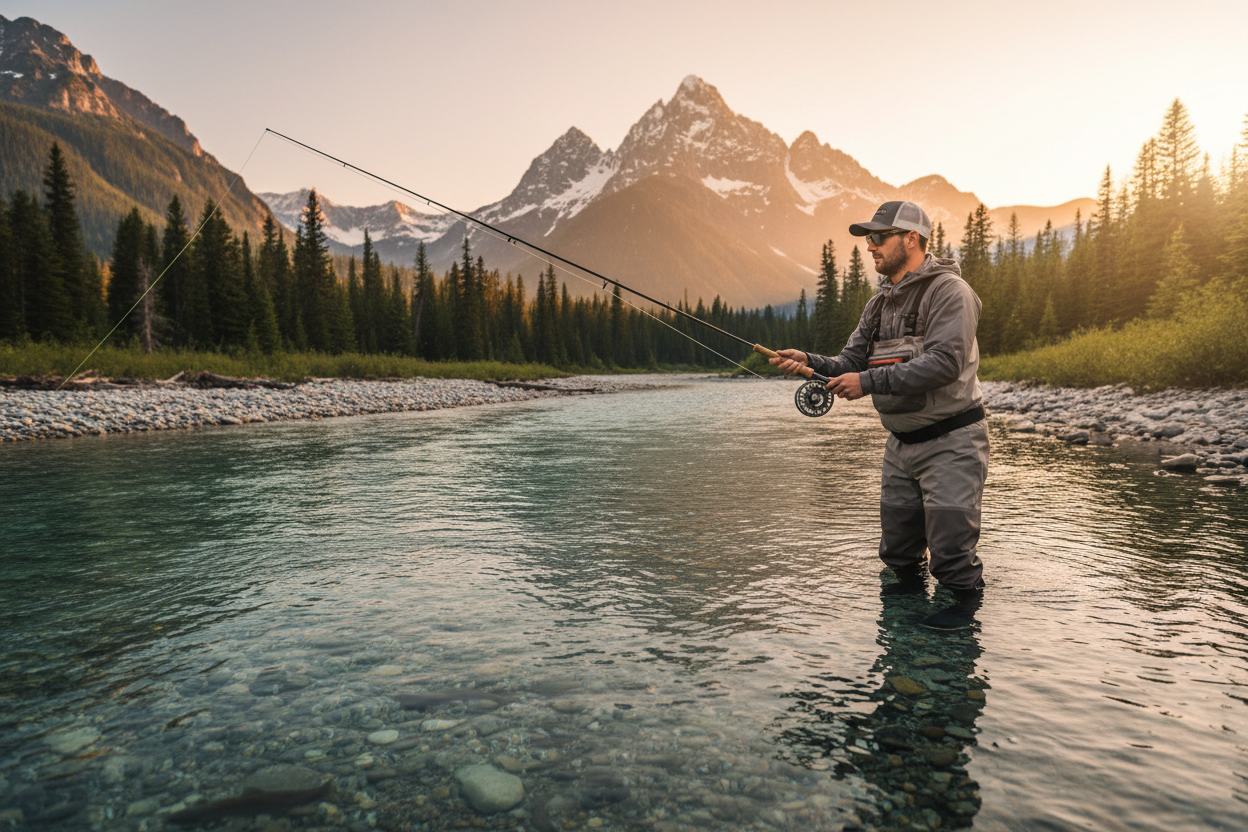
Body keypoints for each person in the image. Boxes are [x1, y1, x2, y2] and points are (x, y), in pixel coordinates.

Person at [771, 200, 988, 628]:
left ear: (912, 239)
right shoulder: (878, 304)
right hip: (900, 447)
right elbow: (851, 362)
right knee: (898, 558)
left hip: (953, 443)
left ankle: (952, 658)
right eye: (868, 239)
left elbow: (946, 362)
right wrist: (808, 360)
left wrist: (868, 384)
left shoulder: (950, 292)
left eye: (877, 237)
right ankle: (905, 645)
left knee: (951, 564)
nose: (870, 246)